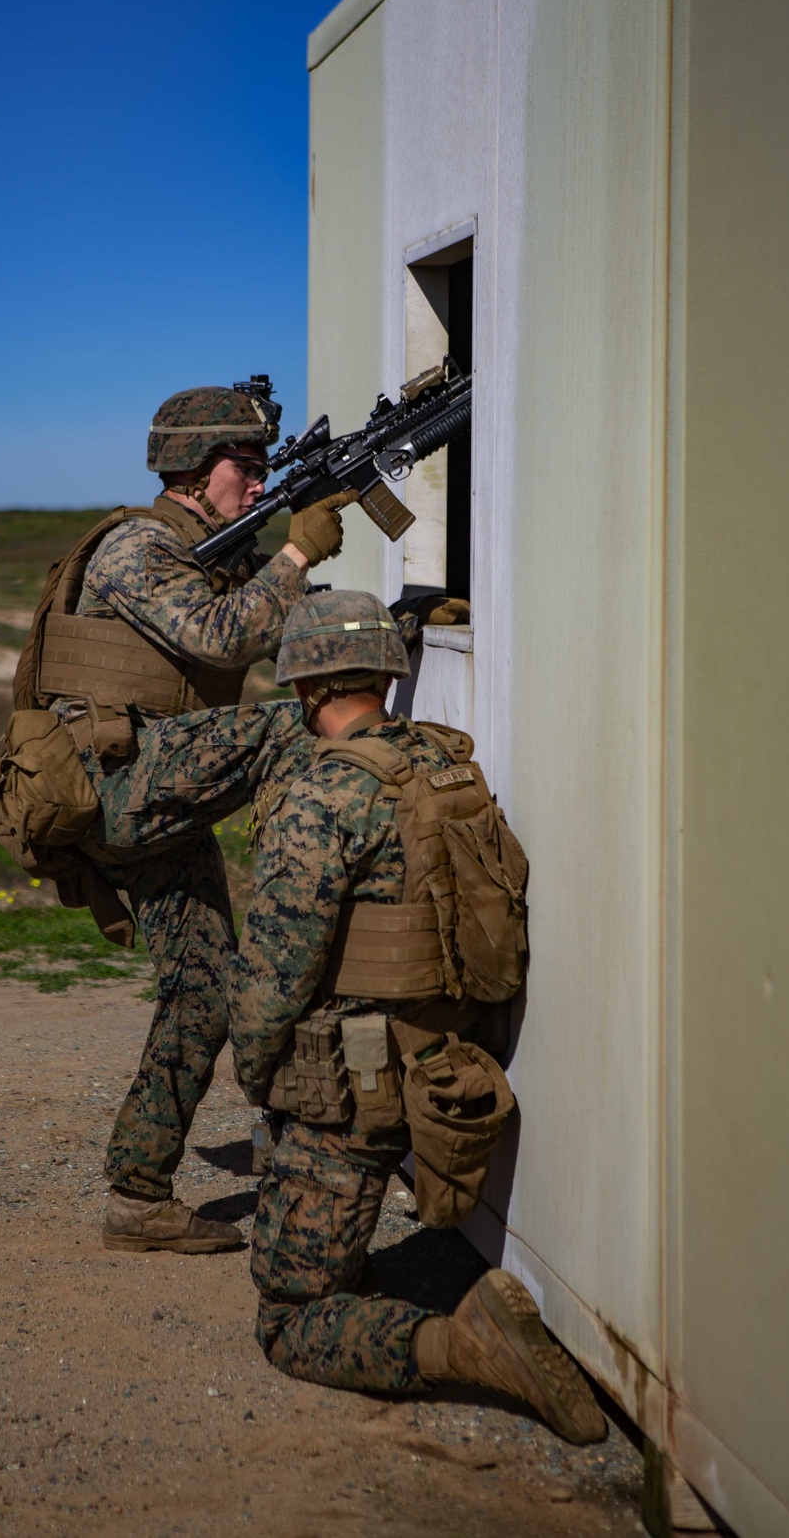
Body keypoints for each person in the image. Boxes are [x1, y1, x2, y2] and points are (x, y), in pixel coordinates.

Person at [229, 590, 606, 1443]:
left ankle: (461, 1343)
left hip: (350, 1089)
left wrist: (257, 1072)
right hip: (449, 1060)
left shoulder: (325, 792)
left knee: (290, 1315)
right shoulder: (448, 766)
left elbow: (271, 977)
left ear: (307, 686)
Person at [26, 380, 354, 1254]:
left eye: (258, 467)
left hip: (156, 785)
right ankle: (315, 885)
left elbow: (274, 629)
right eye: (241, 467)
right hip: (119, 785)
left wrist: (385, 627)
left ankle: (138, 1194)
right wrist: (293, 555)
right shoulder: (137, 547)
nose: (256, 482)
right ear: (190, 470)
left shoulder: (207, 547)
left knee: (204, 990)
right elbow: (222, 636)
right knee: (296, 726)